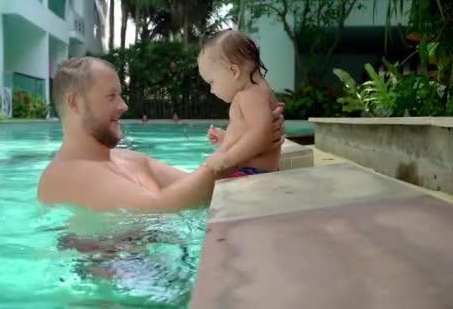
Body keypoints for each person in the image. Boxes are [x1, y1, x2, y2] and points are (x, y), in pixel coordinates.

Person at [37, 57, 285, 212]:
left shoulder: (128, 159)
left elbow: (198, 186)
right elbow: (159, 209)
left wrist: (251, 137)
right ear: (74, 103)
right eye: (111, 96)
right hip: (117, 287)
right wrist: (240, 145)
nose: (123, 106)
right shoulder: (67, 176)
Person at [199, 29, 281, 177]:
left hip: (252, 172)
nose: (211, 90)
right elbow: (251, 131)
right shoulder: (255, 91)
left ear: (234, 71)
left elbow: (260, 135)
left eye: (212, 82)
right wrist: (226, 137)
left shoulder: (251, 94)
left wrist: (226, 159)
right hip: (255, 171)